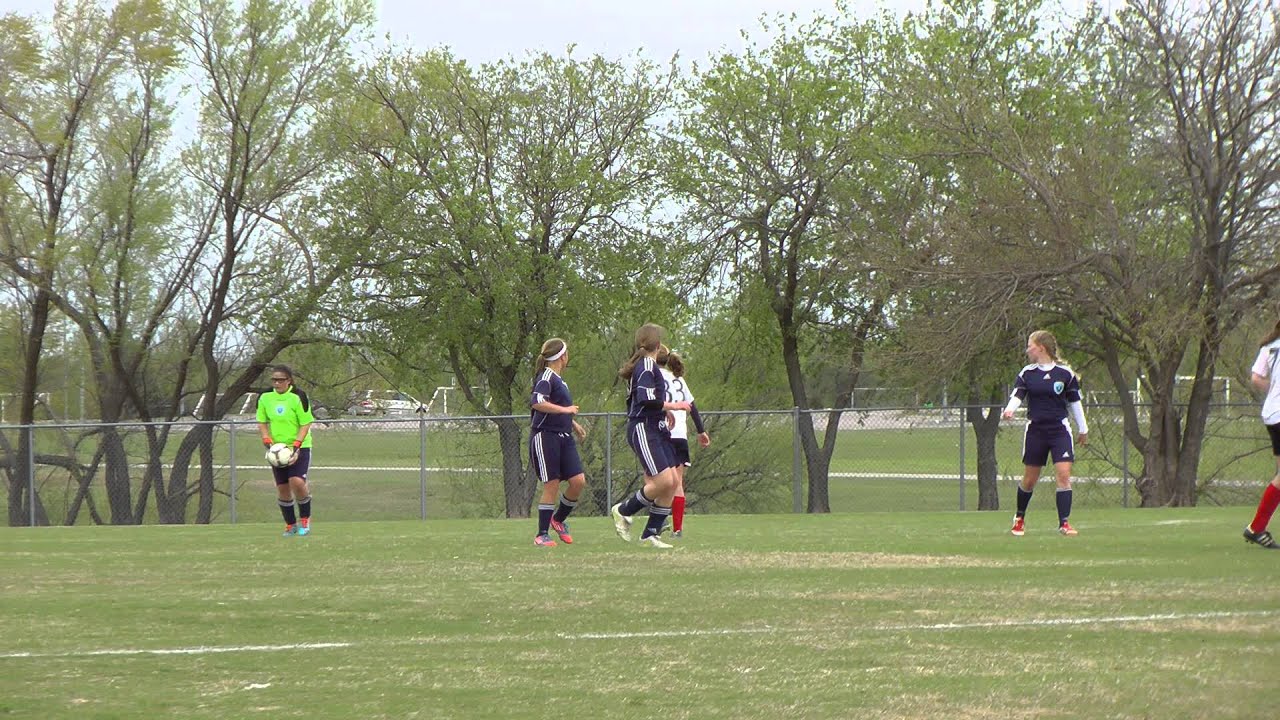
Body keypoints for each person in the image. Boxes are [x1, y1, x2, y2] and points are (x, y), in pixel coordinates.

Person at [610, 323, 691, 549]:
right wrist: (674, 405)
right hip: (644, 428)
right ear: (658, 343)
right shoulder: (646, 365)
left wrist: (665, 411)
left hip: (657, 427)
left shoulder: (650, 366)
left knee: (673, 482)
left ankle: (650, 534)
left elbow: (649, 400)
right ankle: (623, 510)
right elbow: (645, 400)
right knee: (664, 481)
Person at [1000, 330, 1088, 536]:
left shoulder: (1065, 374)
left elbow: (1075, 402)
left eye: (1030, 345)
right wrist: (1010, 409)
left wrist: (1083, 428)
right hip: (1036, 431)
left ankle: (1064, 523)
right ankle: (1019, 517)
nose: (1027, 349)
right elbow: (1018, 395)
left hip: (1059, 430)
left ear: (1041, 347)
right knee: (1030, 479)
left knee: (1064, 475)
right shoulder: (1027, 373)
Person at [528, 338, 588, 547]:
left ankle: (558, 519)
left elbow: (559, 408)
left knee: (578, 481)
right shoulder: (546, 376)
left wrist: (573, 424)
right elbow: (538, 402)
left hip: (563, 435)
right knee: (551, 484)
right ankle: (541, 534)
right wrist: (566, 411)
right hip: (545, 436)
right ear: (562, 356)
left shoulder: (560, 380)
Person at [657, 346, 710, 538]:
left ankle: (660, 518)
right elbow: (692, 407)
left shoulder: (654, 376)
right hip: (680, 434)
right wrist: (701, 431)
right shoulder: (678, 379)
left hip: (662, 433)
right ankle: (677, 528)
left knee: (656, 479)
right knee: (677, 481)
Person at [257, 365, 315, 537]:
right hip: (277, 449)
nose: (276, 383)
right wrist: (267, 440)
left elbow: (306, 423)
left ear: (289, 380)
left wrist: (296, 447)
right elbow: (262, 421)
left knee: (296, 482)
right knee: (282, 488)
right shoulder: (265, 397)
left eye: (280, 380)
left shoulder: (299, 397)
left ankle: (305, 519)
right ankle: (290, 525)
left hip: (300, 446)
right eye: (274, 380)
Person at [1243, 319, 1280, 549]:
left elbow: (1256, 377)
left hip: (1273, 413)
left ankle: (1256, 528)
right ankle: (1256, 528)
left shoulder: (1271, 345)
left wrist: (1274, 391)